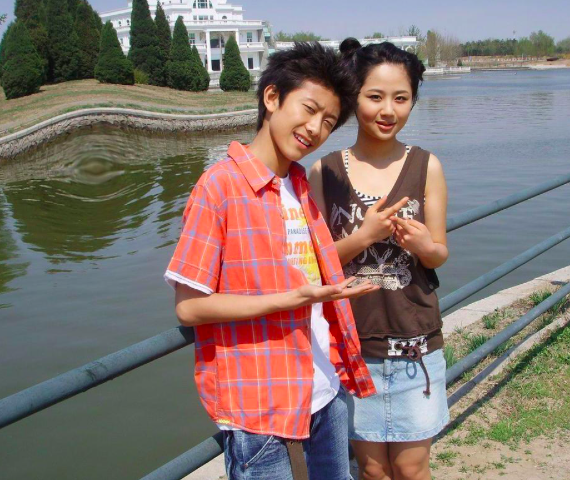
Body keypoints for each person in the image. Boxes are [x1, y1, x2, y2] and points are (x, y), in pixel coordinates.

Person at [164, 42, 378, 480]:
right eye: (309, 109)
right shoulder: (219, 187)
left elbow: (306, 276)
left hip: (324, 387)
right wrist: (290, 299)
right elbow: (189, 306)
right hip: (260, 404)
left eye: (329, 122)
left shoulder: (298, 185)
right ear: (272, 97)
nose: (315, 128)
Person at [309, 38, 450, 480]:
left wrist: (423, 245)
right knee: (371, 470)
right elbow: (314, 264)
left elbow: (439, 254)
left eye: (401, 98)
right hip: (352, 348)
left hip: (415, 345)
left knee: (411, 467)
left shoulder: (427, 166)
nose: (388, 110)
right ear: (354, 98)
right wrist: (363, 237)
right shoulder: (324, 172)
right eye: (375, 97)